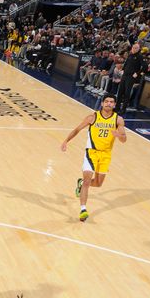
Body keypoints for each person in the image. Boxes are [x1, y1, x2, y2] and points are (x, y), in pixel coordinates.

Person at [61, 94, 127, 222]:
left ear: (114, 105)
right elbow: (77, 129)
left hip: (106, 154)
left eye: (111, 102)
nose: (108, 103)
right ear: (102, 104)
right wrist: (66, 141)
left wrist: (119, 135)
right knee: (87, 180)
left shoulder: (118, 120)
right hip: (91, 152)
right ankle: (83, 210)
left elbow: (124, 140)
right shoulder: (93, 117)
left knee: (98, 184)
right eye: (106, 101)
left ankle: (80, 183)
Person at [115, 43, 144, 113]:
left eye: (136, 48)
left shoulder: (140, 57)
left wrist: (137, 73)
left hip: (131, 77)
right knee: (120, 92)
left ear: (139, 49)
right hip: (125, 75)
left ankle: (123, 109)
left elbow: (144, 67)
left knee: (127, 93)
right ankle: (117, 107)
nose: (134, 49)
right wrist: (123, 70)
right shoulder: (130, 55)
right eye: (133, 47)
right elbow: (126, 63)